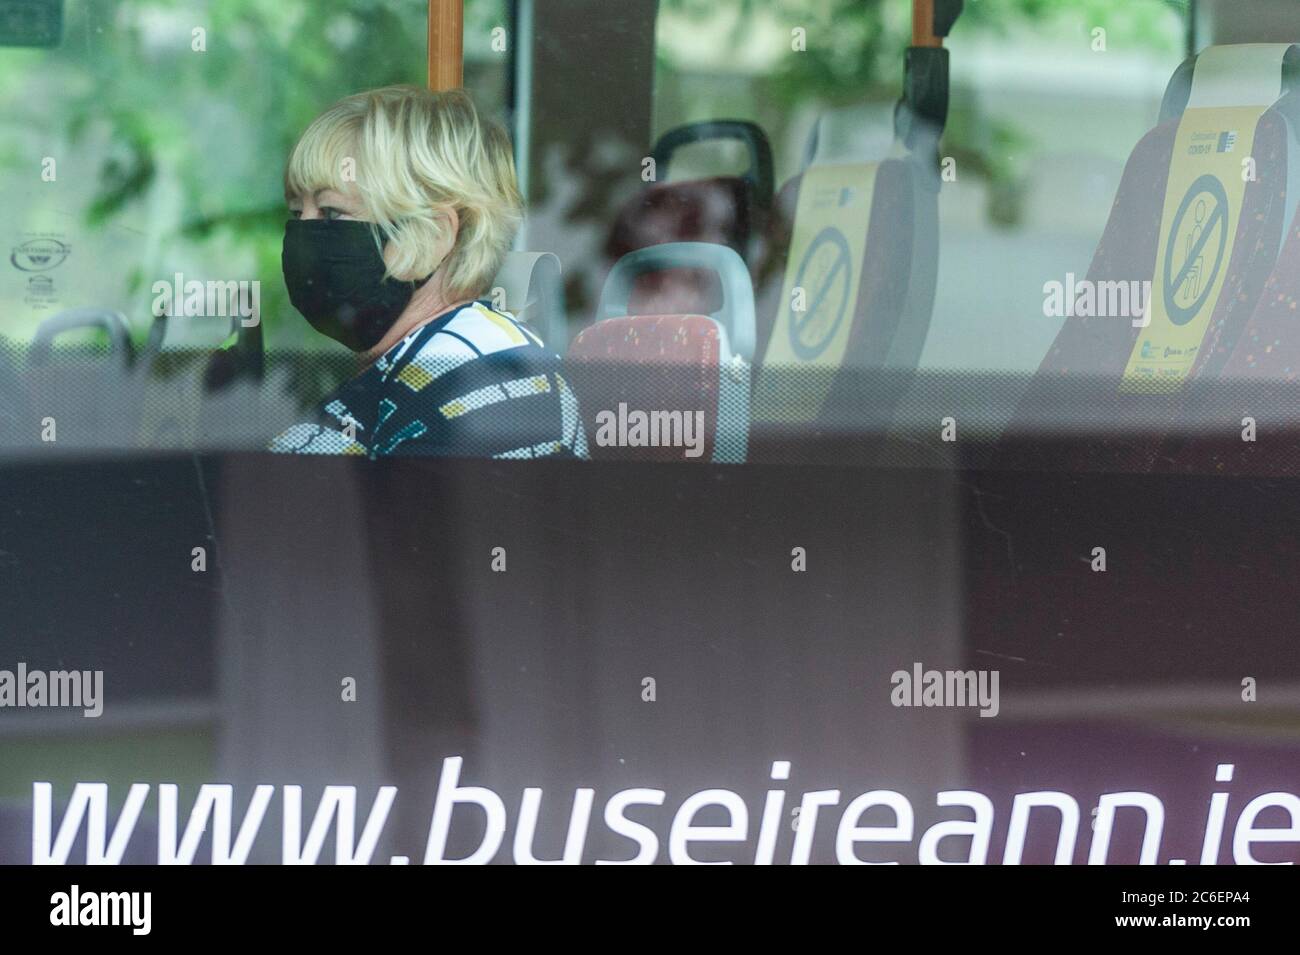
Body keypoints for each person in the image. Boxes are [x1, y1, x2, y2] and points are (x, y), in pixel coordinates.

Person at [270, 85, 585, 459]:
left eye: (331, 212)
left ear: (432, 236)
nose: (304, 234)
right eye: (297, 212)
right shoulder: (417, 365)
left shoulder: (480, 381)